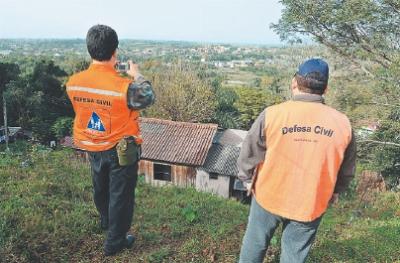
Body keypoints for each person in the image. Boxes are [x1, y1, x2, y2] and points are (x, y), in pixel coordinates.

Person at [237, 58, 356, 263]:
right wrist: (336, 190)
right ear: (325, 88)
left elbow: (249, 151)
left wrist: (246, 178)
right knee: (294, 254)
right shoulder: (343, 124)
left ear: (294, 83)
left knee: (255, 243)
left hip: (269, 195)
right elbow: (347, 168)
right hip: (311, 201)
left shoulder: (272, 114)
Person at [66, 24, 155, 256]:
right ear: (115, 51)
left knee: (101, 187)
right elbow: (147, 96)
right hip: (119, 148)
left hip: (91, 144)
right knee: (121, 195)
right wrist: (137, 74)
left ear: (90, 50)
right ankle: (115, 241)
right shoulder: (124, 87)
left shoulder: (73, 82)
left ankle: (106, 221)